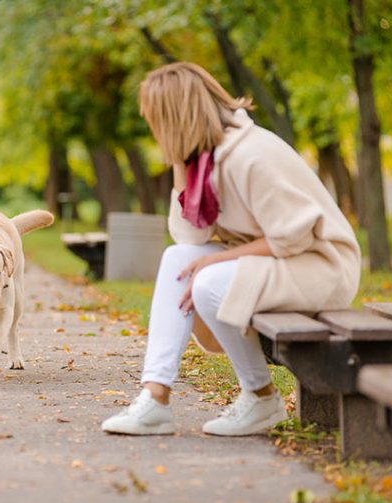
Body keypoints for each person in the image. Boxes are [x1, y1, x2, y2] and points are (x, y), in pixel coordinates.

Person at [101, 62, 361, 436]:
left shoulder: (251, 155)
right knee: (177, 260)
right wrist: (179, 164)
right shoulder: (206, 158)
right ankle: (154, 398)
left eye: (156, 120)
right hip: (282, 262)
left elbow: (295, 237)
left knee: (208, 280)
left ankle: (261, 397)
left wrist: (221, 258)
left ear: (175, 117)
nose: (153, 131)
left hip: (320, 266)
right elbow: (190, 237)